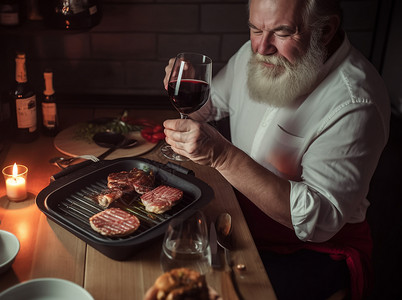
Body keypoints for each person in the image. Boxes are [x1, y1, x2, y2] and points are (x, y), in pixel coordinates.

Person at [162, 0, 390, 299]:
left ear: (326, 30)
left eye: (282, 32)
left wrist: (224, 157)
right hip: (240, 219)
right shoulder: (252, 53)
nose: (261, 47)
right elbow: (208, 108)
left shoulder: (356, 103)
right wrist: (183, 87)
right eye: (255, 28)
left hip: (310, 248)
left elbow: (319, 221)